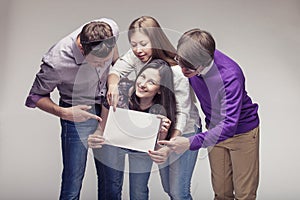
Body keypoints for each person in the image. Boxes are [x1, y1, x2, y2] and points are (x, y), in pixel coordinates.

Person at [103, 16, 201, 199]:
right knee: (169, 188)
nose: (138, 50)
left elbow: (182, 112)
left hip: (184, 131)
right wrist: (113, 86)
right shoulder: (137, 56)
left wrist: (170, 145)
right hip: (160, 131)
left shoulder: (176, 71)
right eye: (133, 45)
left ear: (155, 41)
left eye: (143, 43)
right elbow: (115, 71)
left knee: (179, 192)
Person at [159, 28, 260, 200]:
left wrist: (190, 142)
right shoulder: (190, 56)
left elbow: (229, 126)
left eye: (188, 69)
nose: (182, 70)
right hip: (214, 132)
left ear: (205, 62)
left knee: (244, 195)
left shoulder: (230, 76)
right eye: (180, 62)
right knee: (221, 193)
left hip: (242, 133)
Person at [25, 18, 119, 200]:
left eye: (104, 61)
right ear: (82, 50)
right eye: (97, 62)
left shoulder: (111, 28)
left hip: (109, 109)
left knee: (113, 181)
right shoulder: (56, 62)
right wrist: (64, 113)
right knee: (73, 180)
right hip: (76, 112)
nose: (102, 67)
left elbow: (116, 63)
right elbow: (34, 97)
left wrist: (113, 81)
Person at [89, 59, 177, 200]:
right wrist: (96, 136)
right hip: (114, 143)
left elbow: (155, 151)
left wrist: (162, 133)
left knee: (139, 191)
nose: (142, 84)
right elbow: (102, 127)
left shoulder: (162, 109)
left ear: (160, 90)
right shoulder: (121, 89)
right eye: (142, 77)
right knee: (112, 186)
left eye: (151, 82)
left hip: (141, 149)